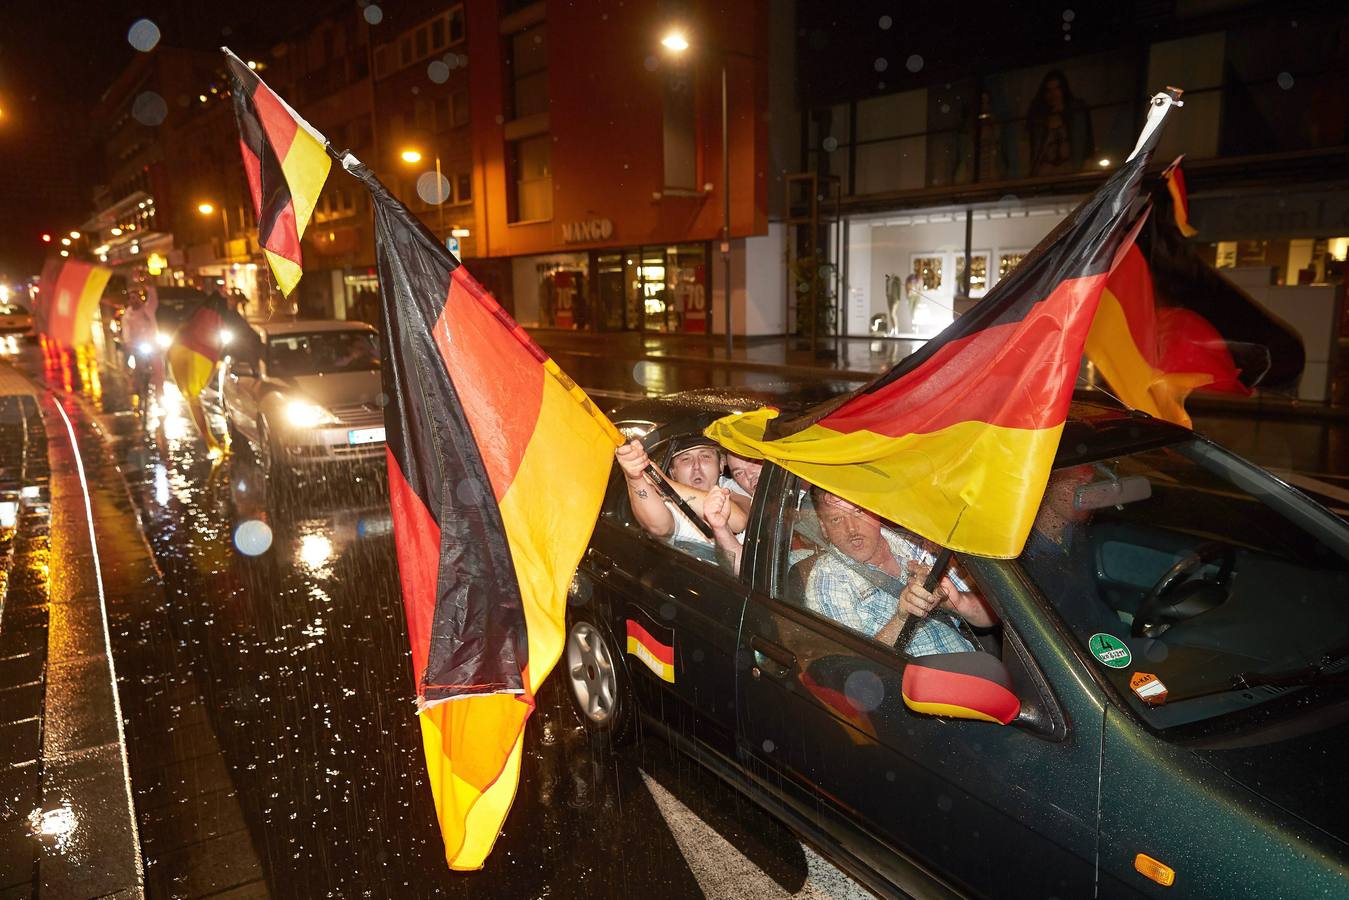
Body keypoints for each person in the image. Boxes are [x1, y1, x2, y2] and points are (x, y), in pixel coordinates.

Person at [805, 487, 997, 656]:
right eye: (837, 519)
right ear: (823, 527)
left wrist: (956, 602)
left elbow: (991, 617)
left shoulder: (916, 544)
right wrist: (901, 618)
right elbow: (853, 668)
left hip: (976, 673)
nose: (852, 528)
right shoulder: (827, 581)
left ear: (875, 510)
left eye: (859, 511)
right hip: (917, 693)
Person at [615, 435, 749, 546]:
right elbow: (659, 527)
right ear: (673, 472)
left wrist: (664, 483)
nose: (696, 466)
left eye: (706, 456)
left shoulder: (734, 485)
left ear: (720, 465)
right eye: (686, 459)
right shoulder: (669, 505)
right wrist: (635, 476)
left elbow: (740, 520)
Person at [1026, 70, 1095, 177]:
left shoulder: (1076, 114)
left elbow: (1085, 142)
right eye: (1049, 90)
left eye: (1057, 88)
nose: (1053, 94)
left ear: (1063, 90)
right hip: (1046, 172)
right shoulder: (1039, 120)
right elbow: (1036, 150)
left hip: (1071, 169)